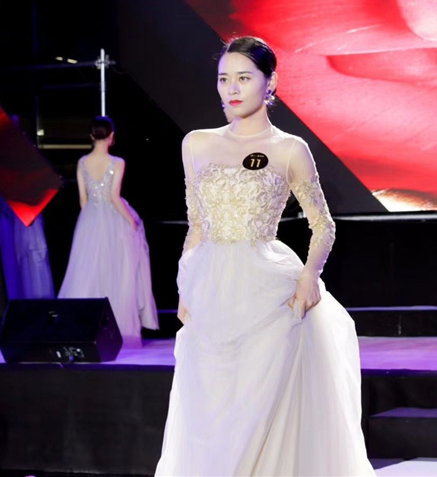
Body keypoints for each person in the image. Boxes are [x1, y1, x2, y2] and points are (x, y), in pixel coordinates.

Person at [156, 37, 374, 475]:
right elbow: (196, 226)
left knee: (263, 405)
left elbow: (323, 224)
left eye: (243, 78)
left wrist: (309, 277)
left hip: (267, 292)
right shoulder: (196, 144)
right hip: (210, 290)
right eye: (224, 79)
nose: (232, 88)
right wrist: (185, 288)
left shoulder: (289, 148)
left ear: (269, 82)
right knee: (210, 406)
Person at [58, 116, 159, 347]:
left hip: (89, 219)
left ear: (91, 136)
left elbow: (83, 200)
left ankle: (82, 329)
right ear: (111, 136)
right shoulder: (117, 162)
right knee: (117, 272)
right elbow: (114, 197)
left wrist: (90, 221)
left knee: (87, 271)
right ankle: (116, 331)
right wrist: (131, 221)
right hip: (113, 221)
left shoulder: (82, 162)